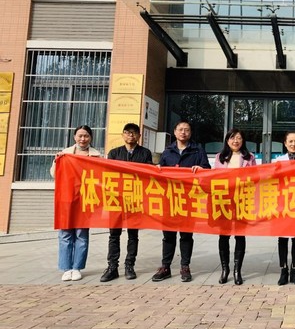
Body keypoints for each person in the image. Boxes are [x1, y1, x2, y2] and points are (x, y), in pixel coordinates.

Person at [152, 120, 210, 283]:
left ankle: (185, 266)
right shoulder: (167, 151)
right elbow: (160, 173)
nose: (183, 132)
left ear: (190, 133)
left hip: (188, 199)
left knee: (186, 235)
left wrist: (201, 169)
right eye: (180, 129)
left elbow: (207, 170)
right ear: (175, 132)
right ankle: (165, 267)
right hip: (169, 199)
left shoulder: (198, 150)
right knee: (168, 235)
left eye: (187, 130)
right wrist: (157, 169)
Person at [100, 123, 153, 282]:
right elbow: (108, 174)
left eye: (134, 133)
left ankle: (129, 265)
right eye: (128, 132)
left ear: (139, 136)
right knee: (114, 234)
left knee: (133, 234)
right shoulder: (114, 153)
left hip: (135, 199)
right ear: (123, 135)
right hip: (116, 199)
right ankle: (112, 267)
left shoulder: (145, 153)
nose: (131, 135)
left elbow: (148, 174)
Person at [51, 125, 101, 282]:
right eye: (80, 136)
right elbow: (54, 174)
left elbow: (101, 178)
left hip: (85, 200)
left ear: (90, 138)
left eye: (86, 136)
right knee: (65, 234)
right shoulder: (65, 154)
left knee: (81, 234)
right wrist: (57, 161)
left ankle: (77, 267)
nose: (83, 139)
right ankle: (66, 268)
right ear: (74, 137)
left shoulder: (97, 156)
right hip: (66, 199)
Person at [213, 128, 257, 285]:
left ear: (243, 140)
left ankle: (237, 271)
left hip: (242, 200)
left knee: (240, 235)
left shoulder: (249, 157)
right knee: (223, 235)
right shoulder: (220, 157)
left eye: (238, 138)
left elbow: (255, 177)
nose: (235, 141)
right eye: (232, 138)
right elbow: (214, 177)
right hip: (224, 200)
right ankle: (225, 270)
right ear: (227, 140)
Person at [273, 130, 295, 285]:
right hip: (282, 204)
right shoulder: (278, 161)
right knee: (282, 238)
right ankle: (283, 271)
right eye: (291, 141)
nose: (294, 144)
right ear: (285, 144)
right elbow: (273, 181)